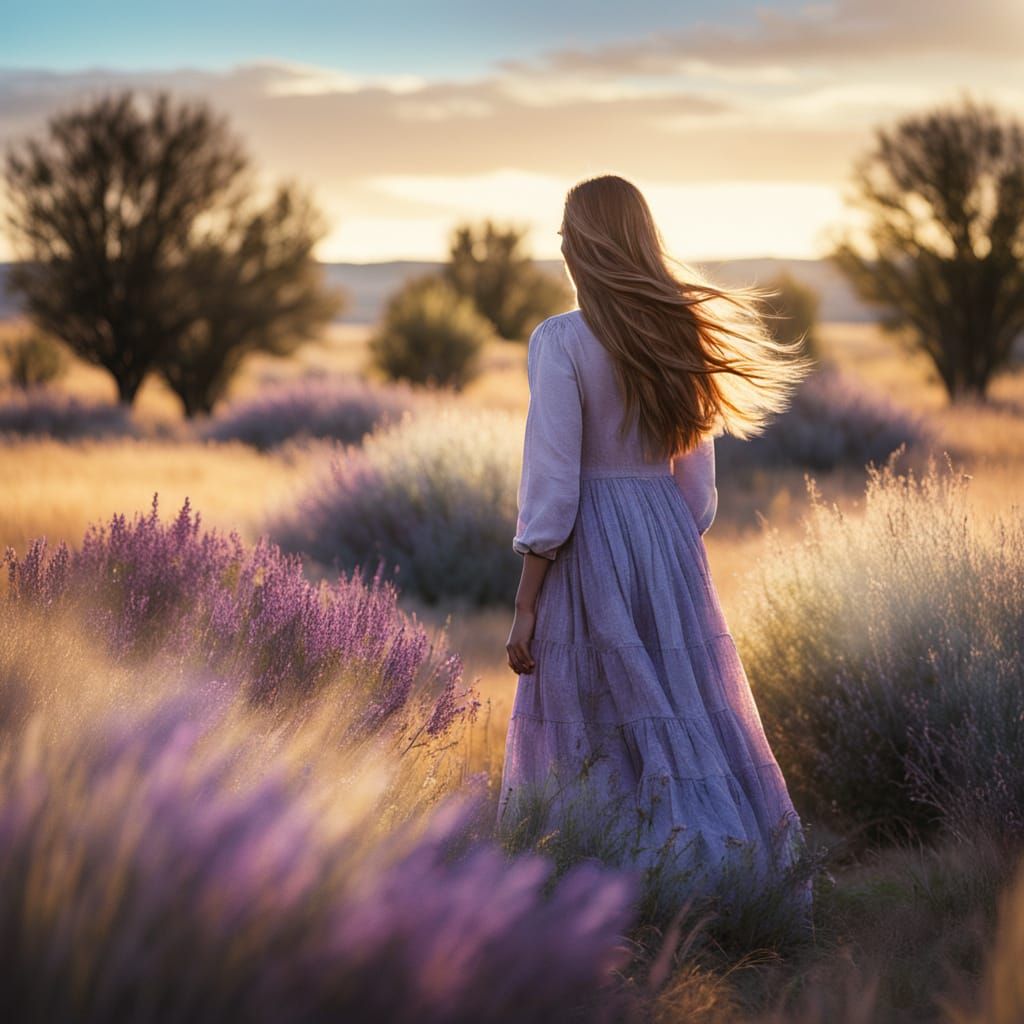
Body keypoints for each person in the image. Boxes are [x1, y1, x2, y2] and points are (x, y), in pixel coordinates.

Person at [498, 174, 817, 927]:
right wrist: (662, 545)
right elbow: (698, 490)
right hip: (666, 538)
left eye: (566, 232)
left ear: (583, 244)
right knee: (683, 707)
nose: (561, 245)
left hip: (588, 542)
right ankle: (721, 877)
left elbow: (554, 484)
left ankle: (604, 877)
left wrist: (525, 602)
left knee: (592, 708)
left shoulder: (561, 341)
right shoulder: (678, 336)